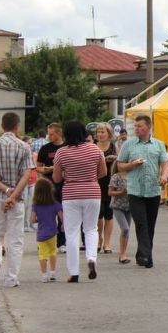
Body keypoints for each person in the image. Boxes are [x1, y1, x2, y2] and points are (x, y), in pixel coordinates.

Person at [0, 112, 34, 287]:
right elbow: (27, 174)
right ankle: (11, 279)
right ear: (17, 126)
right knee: (15, 239)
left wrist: (4, 189)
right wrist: (13, 194)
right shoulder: (24, 147)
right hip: (17, 199)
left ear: (2, 126)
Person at [52, 121, 106, 283]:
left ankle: (74, 272)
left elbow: (56, 178)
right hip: (92, 192)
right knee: (91, 229)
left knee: (72, 232)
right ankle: (91, 258)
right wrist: (88, 178)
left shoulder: (61, 152)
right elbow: (103, 172)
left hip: (71, 194)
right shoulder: (94, 149)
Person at [117, 115, 168, 269]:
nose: (137, 129)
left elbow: (165, 163)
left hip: (153, 190)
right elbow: (120, 165)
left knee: (150, 225)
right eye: (135, 126)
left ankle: (144, 255)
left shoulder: (158, 145)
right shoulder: (129, 145)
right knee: (141, 223)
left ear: (149, 127)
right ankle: (146, 255)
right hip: (135, 190)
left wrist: (164, 176)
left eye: (140, 126)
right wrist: (131, 165)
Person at [37, 123, 66, 252]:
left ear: (59, 134)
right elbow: (38, 167)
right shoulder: (45, 148)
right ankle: (45, 241)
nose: (49, 136)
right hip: (48, 185)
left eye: (51, 134)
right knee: (47, 214)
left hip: (64, 185)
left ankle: (62, 242)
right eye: (48, 133)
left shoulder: (66, 147)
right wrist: (45, 171)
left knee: (63, 214)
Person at [30, 177, 62, 283]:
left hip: (41, 234)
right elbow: (62, 216)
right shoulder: (55, 204)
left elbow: (32, 220)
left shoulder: (36, 205)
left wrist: (39, 219)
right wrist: (64, 225)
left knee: (42, 254)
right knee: (53, 251)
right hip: (53, 232)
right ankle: (53, 272)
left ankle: (44, 275)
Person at [95, 123, 117, 253]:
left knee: (109, 214)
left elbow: (121, 160)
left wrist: (115, 158)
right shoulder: (93, 146)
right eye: (98, 132)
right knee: (98, 214)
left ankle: (107, 243)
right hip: (96, 182)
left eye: (102, 132)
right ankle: (98, 239)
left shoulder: (114, 146)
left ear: (109, 133)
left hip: (110, 181)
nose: (100, 134)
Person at [108, 164, 132, 264]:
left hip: (129, 206)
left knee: (126, 231)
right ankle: (122, 254)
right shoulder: (116, 177)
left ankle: (123, 254)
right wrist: (121, 192)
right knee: (125, 228)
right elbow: (110, 192)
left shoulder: (132, 176)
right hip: (117, 206)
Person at [21, 136, 38, 231]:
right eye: (28, 143)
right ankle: (24, 224)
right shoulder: (21, 155)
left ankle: (31, 223)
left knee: (32, 203)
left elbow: (38, 167)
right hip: (24, 182)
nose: (30, 145)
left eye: (31, 143)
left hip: (33, 181)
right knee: (25, 203)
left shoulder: (35, 155)